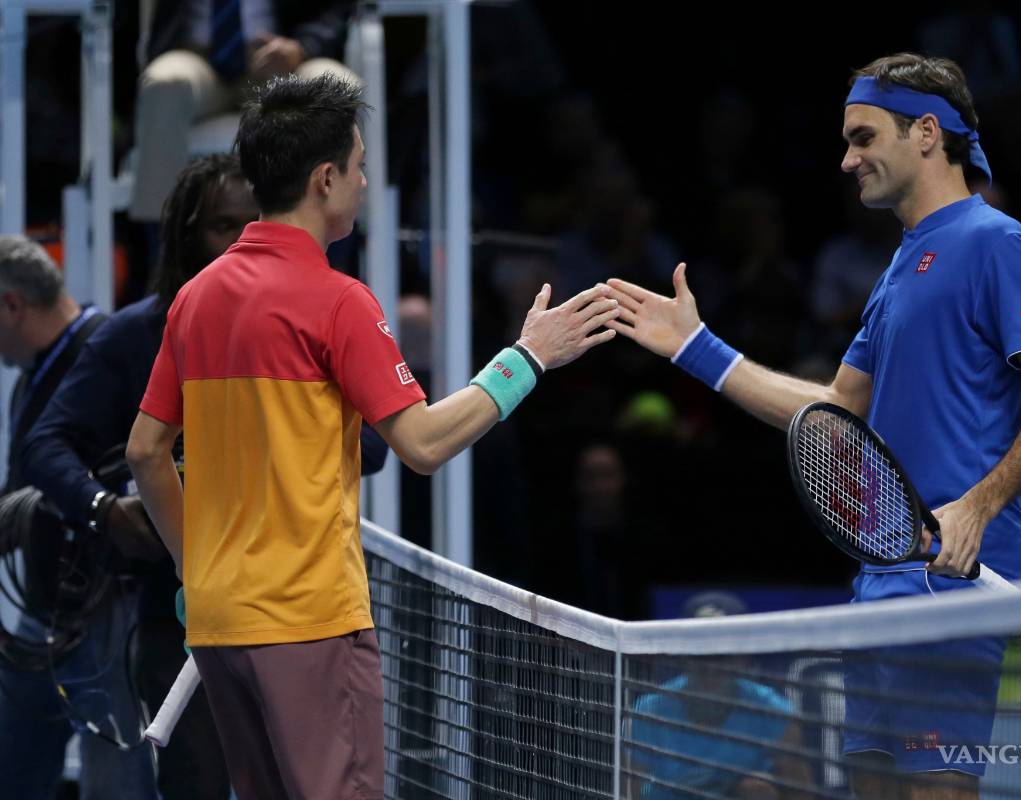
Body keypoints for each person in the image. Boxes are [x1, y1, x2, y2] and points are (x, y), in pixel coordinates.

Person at [605, 53, 1021, 800]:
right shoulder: (898, 271)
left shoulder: (997, 242)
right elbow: (835, 415)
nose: (847, 159)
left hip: (955, 582)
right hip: (881, 583)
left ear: (927, 133)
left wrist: (980, 504)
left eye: (864, 137)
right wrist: (696, 350)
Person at [125, 73, 620, 799]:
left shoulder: (195, 298)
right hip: (308, 623)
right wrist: (528, 360)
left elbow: (145, 452)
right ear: (325, 179)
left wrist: (195, 569)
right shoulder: (337, 302)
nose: (362, 182)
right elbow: (421, 445)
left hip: (220, 623)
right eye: (359, 167)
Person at [21, 153, 379, 799]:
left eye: (251, 223)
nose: (240, 242)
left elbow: (381, 442)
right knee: (194, 784)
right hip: (181, 617)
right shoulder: (140, 334)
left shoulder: (317, 317)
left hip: (300, 618)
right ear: (185, 233)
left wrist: (300, 417)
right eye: (222, 227)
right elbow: (68, 445)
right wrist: (104, 508)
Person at [0, 236, 156, 798]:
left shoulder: (106, 351)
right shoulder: (29, 379)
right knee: (14, 764)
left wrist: (92, 505)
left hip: (104, 605)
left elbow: (140, 470)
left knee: (114, 774)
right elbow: (26, 481)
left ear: (12, 305)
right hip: (44, 606)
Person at [129, 0, 358, 227]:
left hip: (281, 57)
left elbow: (337, 8)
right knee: (164, 83)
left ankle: (338, 249)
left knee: (337, 86)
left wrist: (303, 47)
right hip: (196, 56)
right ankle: (161, 249)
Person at [627, 591, 811, 800]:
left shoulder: (775, 714)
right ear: (681, 656)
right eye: (700, 653)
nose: (710, 667)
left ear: (743, 658)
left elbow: (800, 794)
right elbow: (626, 790)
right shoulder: (648, 712)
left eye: (721, 654)